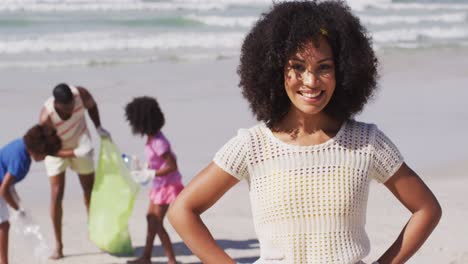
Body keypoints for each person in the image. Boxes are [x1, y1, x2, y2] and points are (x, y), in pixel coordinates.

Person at [168, 1, 442, 264]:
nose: (310, 81)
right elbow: (182, 211)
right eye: (297, 67)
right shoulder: (252, 145)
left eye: (324, 68)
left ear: (343, 71)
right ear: (276, 70)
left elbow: (426, 209)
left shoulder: (366, 142)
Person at [39, 83, 111, 259]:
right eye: (67, 107)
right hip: (56, 150)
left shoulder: (81, 94)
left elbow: (92, 107)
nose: (71, 108)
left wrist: (99, 127)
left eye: (72, 104)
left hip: (81, 142)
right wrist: (73, 153)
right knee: (56, 195)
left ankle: (97, 235)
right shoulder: (46, 117)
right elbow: (46, 149)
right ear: (57, 104)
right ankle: (59, 245)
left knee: (90, 191)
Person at [125, 96, 183, 264]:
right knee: (150, 218)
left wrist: (150, 174)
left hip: (167, 185)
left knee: (156, 222)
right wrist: (144, 168)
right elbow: (157, 162)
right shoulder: (151, 137)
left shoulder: (159, 142)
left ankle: (172, 260)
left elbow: (173, 165)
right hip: (159, 185)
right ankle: (146, 257)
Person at [0, 124, 62, 264]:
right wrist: (17, 209)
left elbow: (7, 181)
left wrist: (16, 202)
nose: (45, 158)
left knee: (4, 224)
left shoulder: (21, 146)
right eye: (45, 155)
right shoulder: (21, 159)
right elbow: (3, 189)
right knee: (3, 225)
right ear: (38, 150)